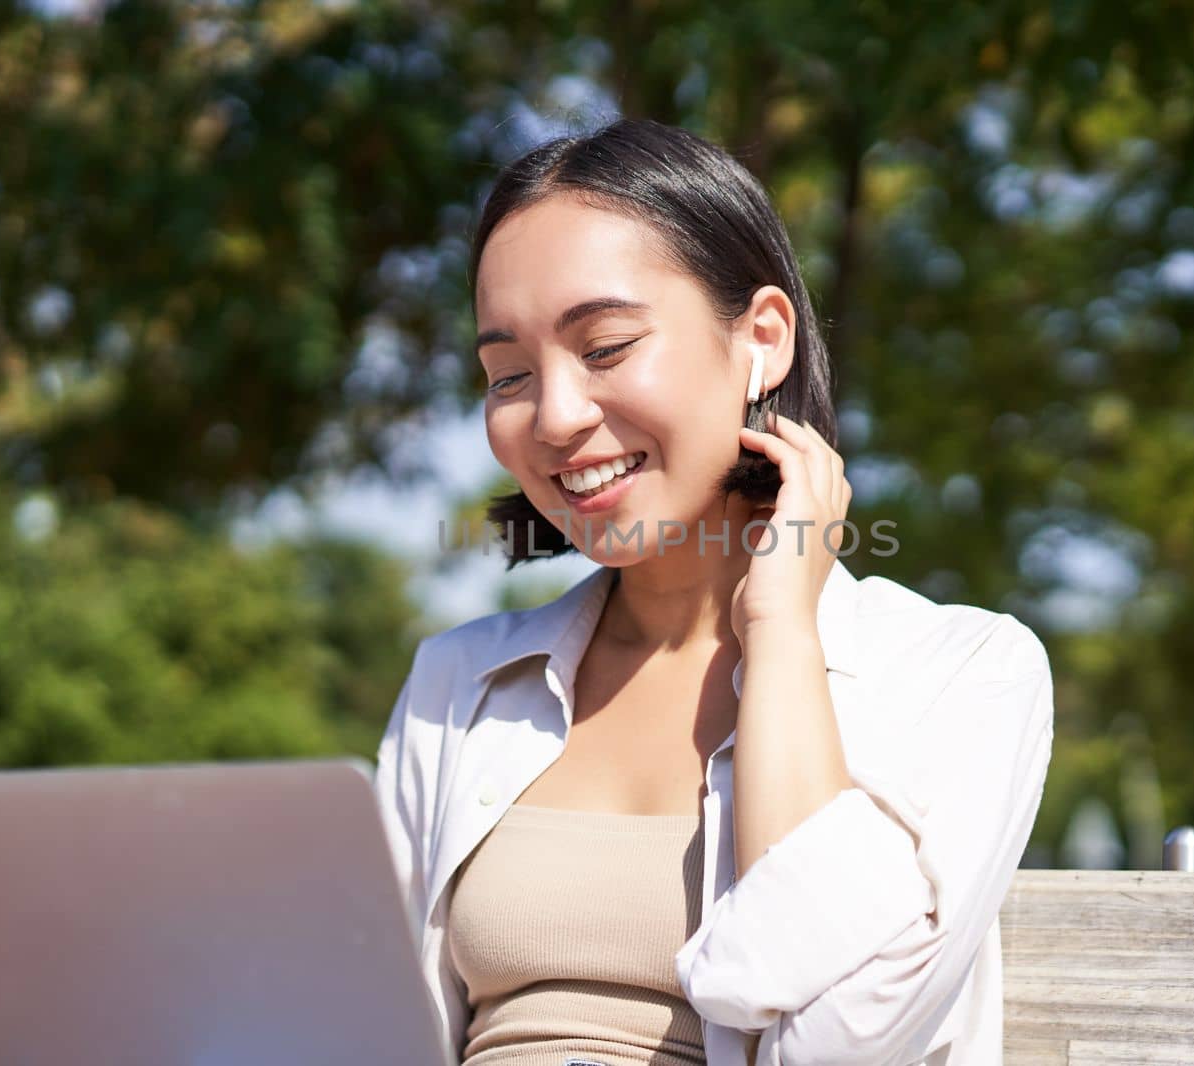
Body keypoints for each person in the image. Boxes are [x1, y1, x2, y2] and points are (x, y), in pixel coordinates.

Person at [375, 117, 1055, 1066]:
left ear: (762, 342)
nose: (557, 417)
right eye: (509, 375)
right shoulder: (458, 686)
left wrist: (778, 631)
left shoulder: (962, 677)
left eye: (606, 347)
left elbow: (841, 1043)